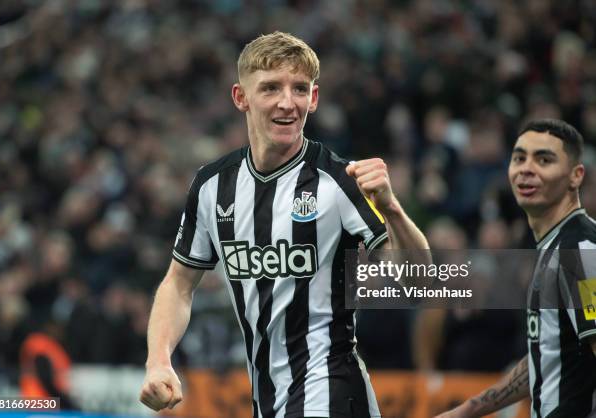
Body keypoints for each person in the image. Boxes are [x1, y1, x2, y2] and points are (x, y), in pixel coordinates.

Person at [138, 31, 429, 418]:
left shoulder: (342, 180)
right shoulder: (212, 186)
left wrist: (392, 210)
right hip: (267, 401)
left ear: (315, 98)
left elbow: (420, 283)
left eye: (300, 89)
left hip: (332, 395)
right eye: (271, 88)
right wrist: (158, 360)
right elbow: (178, 283)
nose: (287, 103)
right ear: (241, 97)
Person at [435, 119, 596, 418]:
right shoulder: (553, 248)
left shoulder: (579, 252)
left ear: (576, 176)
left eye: (544, 159)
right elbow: (549, 355)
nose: (527, 168)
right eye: (519, 158)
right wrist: (467, 411)